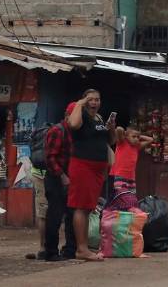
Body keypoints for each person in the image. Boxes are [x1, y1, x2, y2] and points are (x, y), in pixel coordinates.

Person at [67, 89, 116, 261]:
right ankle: (81, 249)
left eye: (97, 99)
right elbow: (73, 125)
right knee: (81, 206)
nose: (94, 102)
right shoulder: (79, 113)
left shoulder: (99, 118)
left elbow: (111, 141)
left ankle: (85, 247)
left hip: (97, 169)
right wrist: (80, 103)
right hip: (83, 165)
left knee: (88, 207)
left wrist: (111, 128)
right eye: (91, 99)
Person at [43, 102, 78, 262]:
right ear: (67, 115)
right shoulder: (57, 130)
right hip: (56, 178)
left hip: (72, 178)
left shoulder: (76, 133)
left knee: (72, 215)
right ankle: (51, 252)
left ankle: (70, 250)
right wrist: (62, 176)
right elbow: (50, 157)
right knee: (55, 216)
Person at [109, 126, 153, 208]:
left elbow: (150, 139)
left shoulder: (137, 146)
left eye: (138, 137)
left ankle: (129, 214)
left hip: (132, 179)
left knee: (132, 199)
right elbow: (119, 129)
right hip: (120, 177)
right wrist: (126, 133)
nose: (136, 139)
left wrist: (138, 135)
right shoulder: (122, 143)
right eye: (134, 136)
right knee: (121, 198)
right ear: (126, 136)